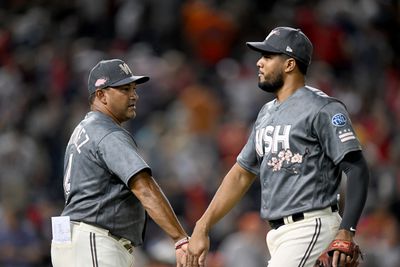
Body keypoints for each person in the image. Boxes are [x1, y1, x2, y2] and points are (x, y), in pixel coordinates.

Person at [185, 26, 369, 267]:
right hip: (278, 234)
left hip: (311, 225)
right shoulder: (266, 113)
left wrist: (347, 230)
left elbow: (356, 169)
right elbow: (241, 174)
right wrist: (203, 225)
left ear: (290, 64)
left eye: (268, 56)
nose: (259, 63)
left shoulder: (323, 108)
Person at [50, 59, 189, 267]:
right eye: (124, 89)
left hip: (77, 239)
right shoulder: (107, 132)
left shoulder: (85, 129)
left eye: (134, 88)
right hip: (94, 239)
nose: (134, 95)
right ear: (101, 95)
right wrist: (180, 239)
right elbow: (144, 188)